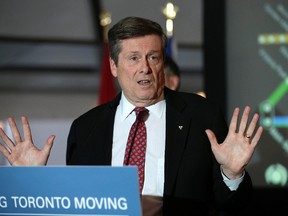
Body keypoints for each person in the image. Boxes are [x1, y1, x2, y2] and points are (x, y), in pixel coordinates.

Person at [0, 16, 263, 216]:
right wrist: (32, 181)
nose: (144, 68)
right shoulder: (86, 128)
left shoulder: (202, 116)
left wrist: (231, 173)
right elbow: (78, 206)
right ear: (114, 66)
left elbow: (230, 206)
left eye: (153, 57)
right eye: (134, 58)